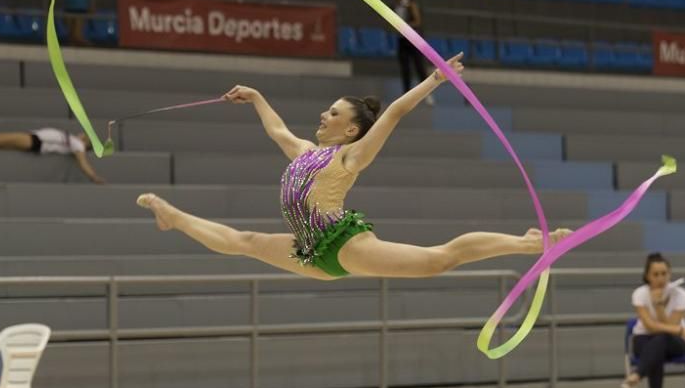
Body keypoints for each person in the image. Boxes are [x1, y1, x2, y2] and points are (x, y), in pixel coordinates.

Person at [137, 53, 572, 280]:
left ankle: (528, 243)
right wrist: (255, 97)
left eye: (333, 113)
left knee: (438, 260)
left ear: (350, 131)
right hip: (310, 252)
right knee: (245, 240)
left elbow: (395, 113)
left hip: (343, 244)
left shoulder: (350, 157)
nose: (323, 116)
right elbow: (277, 130)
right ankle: (173, 217)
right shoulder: (305, 152)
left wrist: (435, 80)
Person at [622, 252, 685, 388]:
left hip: (674, 343)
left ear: (670, 274)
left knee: (662, 339)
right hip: (644, 339)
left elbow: (670, 327)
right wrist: (681, 330)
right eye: (656, 274)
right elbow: (649, 326)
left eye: (664, 273)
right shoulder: (640, 294)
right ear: (647, 276)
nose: (661, 278)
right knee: (656, 346)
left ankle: (637, 375)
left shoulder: (680, 295)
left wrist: (658, 305)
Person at [0, 127, 106, 184]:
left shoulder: (77, 145)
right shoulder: (73, 141)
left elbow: (83, 163)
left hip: (34, 141)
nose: (82, 134)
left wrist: (94, 177)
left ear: (87, 142)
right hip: (32, 138)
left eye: (85, 135)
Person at [392, 0, 433, 105]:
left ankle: (427, 94)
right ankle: (406, 95)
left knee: (419, 66)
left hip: (413, 39)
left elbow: (417, 21)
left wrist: (405, 26)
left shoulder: (411, 3)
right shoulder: (396, 5)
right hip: (402, 40)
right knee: (405, 68)